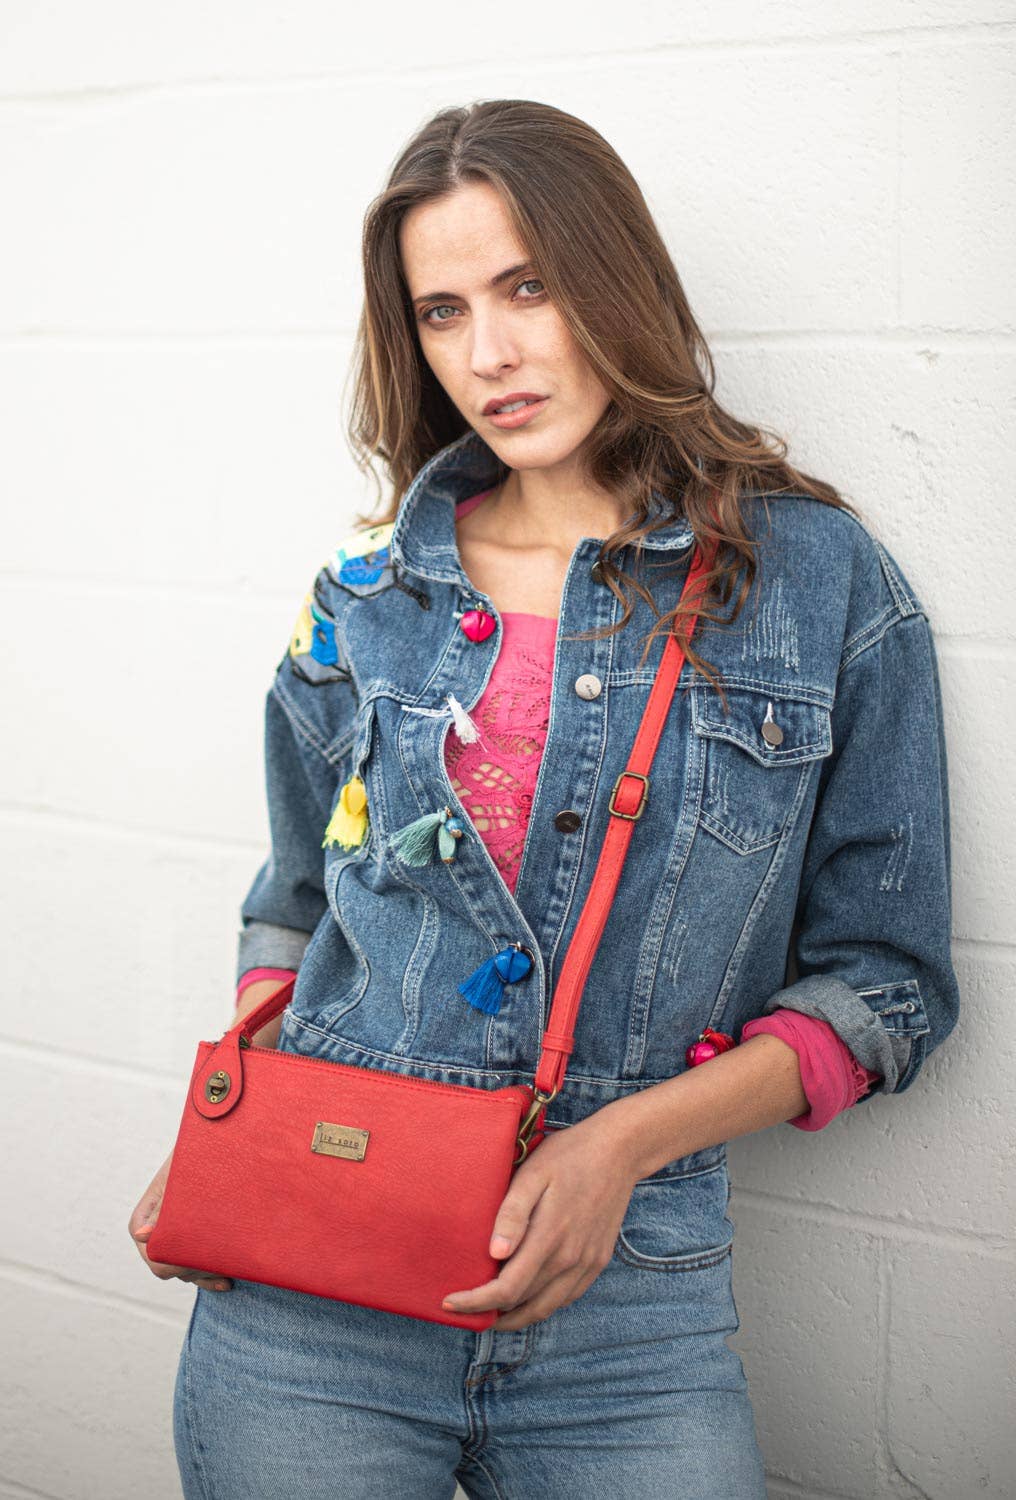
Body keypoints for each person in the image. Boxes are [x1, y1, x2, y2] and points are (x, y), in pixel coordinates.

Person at [129, 98, 960, 1498]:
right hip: (313, 1292)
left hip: (630, 1314)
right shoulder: (364, 595)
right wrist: (240, 1126)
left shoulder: (818, 585)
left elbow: (888, 985)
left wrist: (623, 1145)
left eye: (529, 288)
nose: (490, 354)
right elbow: (294, 903)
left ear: (617, 284)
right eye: (442, 312)